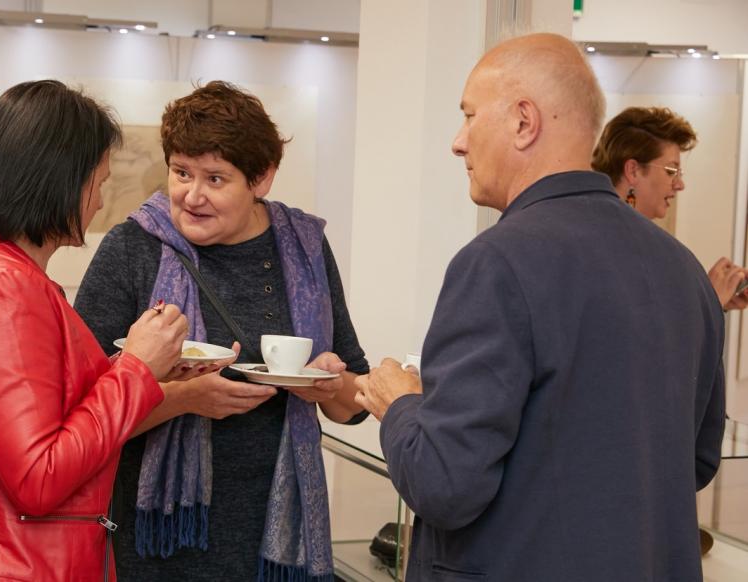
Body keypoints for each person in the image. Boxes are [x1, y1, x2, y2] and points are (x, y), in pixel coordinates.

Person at [355, 33, 726, 582]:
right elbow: (695, 460)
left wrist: (400, 405)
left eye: (470, 116)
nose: (458, 142)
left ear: (524, 122)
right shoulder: (685, 269)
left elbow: (445, 484)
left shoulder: (496, 262)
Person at [74, 80, 369, 581]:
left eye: (215, 179)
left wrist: (327, 383)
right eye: (181, 172)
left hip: (276, 541)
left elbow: (350, 405)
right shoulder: (133, 248)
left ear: (262, 177)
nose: (192, 196)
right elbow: (83, 414)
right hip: (159, 544)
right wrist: (183, 399)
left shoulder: (305, 250)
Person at [0, 80, 205, 582]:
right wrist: (135, 370)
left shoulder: (3, 273)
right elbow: (39, 476)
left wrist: (146, 368)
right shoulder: (1, 287)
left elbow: (48, 407)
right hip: (14, 567)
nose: (99, 201)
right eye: (98, 182)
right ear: (60, 180)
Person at [592, 105, 748, 311]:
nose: (679, 184)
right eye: (671, 171)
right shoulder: (604, 243)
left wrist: (714, 304)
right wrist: (709, 302)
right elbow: (636, 326)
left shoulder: (634, 243)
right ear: (633, 170)